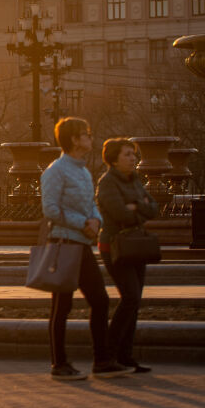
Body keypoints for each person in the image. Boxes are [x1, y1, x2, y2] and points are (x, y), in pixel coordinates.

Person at [40, 117, 133, 381]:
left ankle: (102, 361)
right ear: (73, 140)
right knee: (62, 305)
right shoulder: (55, 171)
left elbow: (92, 204)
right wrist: (83, 223)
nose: (91, 138)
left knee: (100, 300)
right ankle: (59, 364)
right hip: (63, 244)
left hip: (81, 244)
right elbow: (50, 209)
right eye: (86, 134)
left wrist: (96, 221)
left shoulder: (82, 171)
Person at [96, 138, 159, 374]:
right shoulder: (107, 182)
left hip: (137, 245)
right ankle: (109, 353)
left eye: (134, 154)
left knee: (135, 300)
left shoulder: (135, 180)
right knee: (130, 297)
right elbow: (118, 213)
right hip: (114, 246)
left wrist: (136, 207)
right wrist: (136, 207)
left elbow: (153, 208)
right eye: (127, 154)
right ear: (113, 158)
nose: (133, 158)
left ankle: (125, 355)